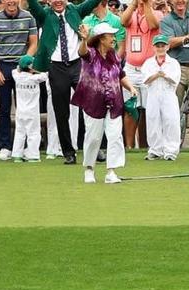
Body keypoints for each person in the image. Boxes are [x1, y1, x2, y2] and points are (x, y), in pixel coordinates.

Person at [26, 0, 102, 165]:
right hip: (56, 67)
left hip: (77, 64)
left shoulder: (75, 10)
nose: (58, 1)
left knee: (91, 106)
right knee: (61, 113)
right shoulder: (44, 14)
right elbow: (32, 4)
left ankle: (95, 149)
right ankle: (68, 152)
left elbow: (92, 3)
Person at [70, 23, 135, 183]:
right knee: (93, 137)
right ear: (101, 39)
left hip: (114, 102)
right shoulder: (91, 54)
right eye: (110, 36)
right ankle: (89, 169)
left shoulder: (114, 56)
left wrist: (131, 87)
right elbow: (82, 52)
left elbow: (121, 74)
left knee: (114, 136)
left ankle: (111, 171)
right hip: (93, 102)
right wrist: (84, 39)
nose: (113, 38)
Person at [0, 0, 38, 161]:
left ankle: (27, 147)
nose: (11, 2)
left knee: (26, 108)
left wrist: (25, 62)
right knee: (4, 108)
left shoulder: (28, 17)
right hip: (2, 66)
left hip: (21, 67)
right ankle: (5, 146)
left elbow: (34, 42)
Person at [120, 0, 164, 149]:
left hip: (148, 67)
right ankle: (129, 146)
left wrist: (146, 4)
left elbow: (153, 25)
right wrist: (133, 4)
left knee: (147, 109)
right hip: (131, 68)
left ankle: (146, 145)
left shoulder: (157, 13)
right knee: (130, 107)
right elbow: (123, 21)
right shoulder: (131, 14)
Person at [160, 0, 189, 147]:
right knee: (174, 106)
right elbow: (168, 42)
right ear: (171, 2)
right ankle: (175, 141)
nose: (180, 2)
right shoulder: (166, 21)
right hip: (176, 67)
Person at [141, 33, 180, 160]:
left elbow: (175, 80)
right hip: (153, 94)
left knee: (171, 120)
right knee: (152, 120)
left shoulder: (173, 63)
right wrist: (157, 75)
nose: (160, 48)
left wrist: (164, 75)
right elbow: (145, 80)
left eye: (162, 45)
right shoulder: (148, 63)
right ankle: (155, 149)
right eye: (158, 46)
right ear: (154, 47)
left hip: (168, 94)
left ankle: (171, 151)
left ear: (167, 47)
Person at [10, 54, 47, 162]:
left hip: (20, 111)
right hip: (32, 112)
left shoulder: (16, 76)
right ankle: (33, 155)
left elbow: (14, 70)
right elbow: (46, 74)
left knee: (20, 132)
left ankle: (17, 155)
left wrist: (22, 66)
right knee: (34, 133)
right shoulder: (35, 78)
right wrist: (37, 70)